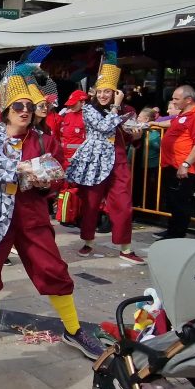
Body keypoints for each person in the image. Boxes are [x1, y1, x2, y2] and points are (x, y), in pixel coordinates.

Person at [0, 71, 103, 358]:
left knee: (52, 269)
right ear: (6, 109)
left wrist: (47, 183)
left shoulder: (44, 141)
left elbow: (57, 176)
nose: (26, 112)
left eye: (30, 107)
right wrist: (18, 170)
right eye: (19, 106)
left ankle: (73, 329)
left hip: (31, 215)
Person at [66, 58, 143, 264]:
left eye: (107, 91)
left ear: (115, 92)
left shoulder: (128, 111)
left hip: (118, 160)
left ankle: (125, 248)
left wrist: (135, 136)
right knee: (91, 204)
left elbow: (127, 135)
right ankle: (89, 241)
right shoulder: (89, 110)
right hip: (94, 161)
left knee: (124, 204)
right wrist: (116, 108)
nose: (102, 95)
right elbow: (103, 127)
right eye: (99, 91)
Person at [156, 85, 195, 240]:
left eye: (176, 99)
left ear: (189, 100)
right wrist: (153, 124)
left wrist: (186, 164)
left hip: (182, 166)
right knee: (172, 201)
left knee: (180, 202)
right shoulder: (183, 114)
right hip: (170, 164)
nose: (173, 101)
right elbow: (172, 125)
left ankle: (177, 234)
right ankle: (172, 230)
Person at [58, 90, 89, 168]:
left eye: (74, 104)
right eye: (70, 104)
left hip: (79, 159)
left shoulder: (88, 116)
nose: (71, 106)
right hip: (64, 158)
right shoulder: (67, 115)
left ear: (83, 102)